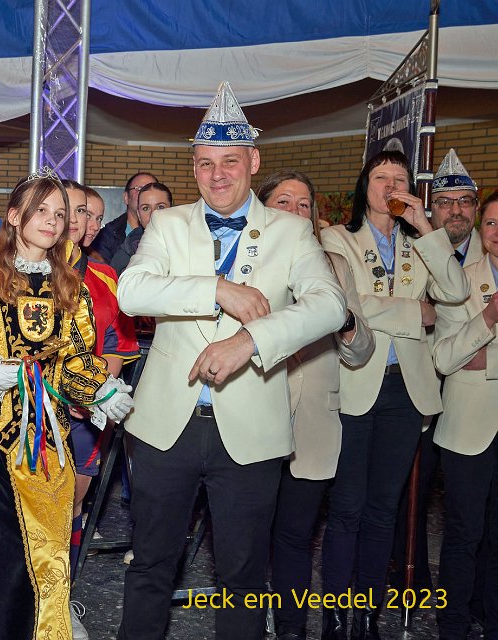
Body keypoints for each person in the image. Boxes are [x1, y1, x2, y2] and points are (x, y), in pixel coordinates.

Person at [116, 82, 346, 640]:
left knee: (243, 577)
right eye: (205, 163)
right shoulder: (168, 224)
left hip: (251, 430)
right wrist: (217, 289)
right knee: (150, 566)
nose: (217, 174)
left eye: (230, 161)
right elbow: (131, 291)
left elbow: (330, 305)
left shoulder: (292, 231)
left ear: (253, 162)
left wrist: (251, 341)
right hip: (164, 426)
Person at [0, 168, 134, 640]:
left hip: (51, 444)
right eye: (40, 211)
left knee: (49, 561)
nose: (52, 221)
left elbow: (74, 361)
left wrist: (101, 390)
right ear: (14, 216)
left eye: (60, 214)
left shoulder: (70, 287)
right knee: (3, 569)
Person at [318, 149, 470, 639]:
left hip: (407, 390)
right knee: (347, 508)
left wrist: (425, 226)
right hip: (355, 384)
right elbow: (347, 304)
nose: (389, 186)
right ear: (365, 186)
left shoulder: (420, 243)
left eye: (399, 179)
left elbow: (455, 292)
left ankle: (367, 614)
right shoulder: (337, 238)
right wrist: (413, 312)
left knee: (384, 509)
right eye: (380, 177)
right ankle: (335, 616)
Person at [256, 170, 376, 640]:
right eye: (283, 201)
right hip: (254, 413)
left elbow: (360, 351)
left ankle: (291, 629)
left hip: (314, 422)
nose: (295, 210)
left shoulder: (335, 266)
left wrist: (345, 321)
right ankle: (248, 616)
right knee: (248, 535)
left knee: (294, 535)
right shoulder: (243, 260)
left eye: (304, 204)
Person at [390, 148, 484, 594]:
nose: (456, 210)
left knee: (472, 504)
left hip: (475, 390)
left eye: (465, 201)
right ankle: (410, 578)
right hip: (423, 385)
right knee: (414, 488)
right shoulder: (413, 249)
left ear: (476, 208)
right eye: (445, 202)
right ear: (431, 209)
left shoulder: (491, 248)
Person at [65, 179, 139, 639]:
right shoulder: (19, 270)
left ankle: (61, 597)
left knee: (73, 505)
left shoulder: (104, 275)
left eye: (95, 216)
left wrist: (92, 390)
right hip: (33, 406)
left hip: (88, 411)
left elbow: (116, 345)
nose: (89, 224)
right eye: (79, 212)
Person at [429, 191, 498, 640]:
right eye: (491, 223)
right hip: (468, 428)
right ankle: (452, 623)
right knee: (463, 533)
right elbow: (445, 357)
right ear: (479, 228)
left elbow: (470, 358)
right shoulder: (459, 281)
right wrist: (489, 317)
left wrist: (485, 361)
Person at [89, 172, 158, 264]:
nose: (146, 195)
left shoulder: (169, 232)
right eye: (139, 189)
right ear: (126, 197)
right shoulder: (107, 235)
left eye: (152, 190)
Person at [109, 182, 172, 275]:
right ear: (139, 215)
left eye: (160, 207)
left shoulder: (188, 242)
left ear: (172, 210)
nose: (153, 214)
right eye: (146, 208)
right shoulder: (126, 253)